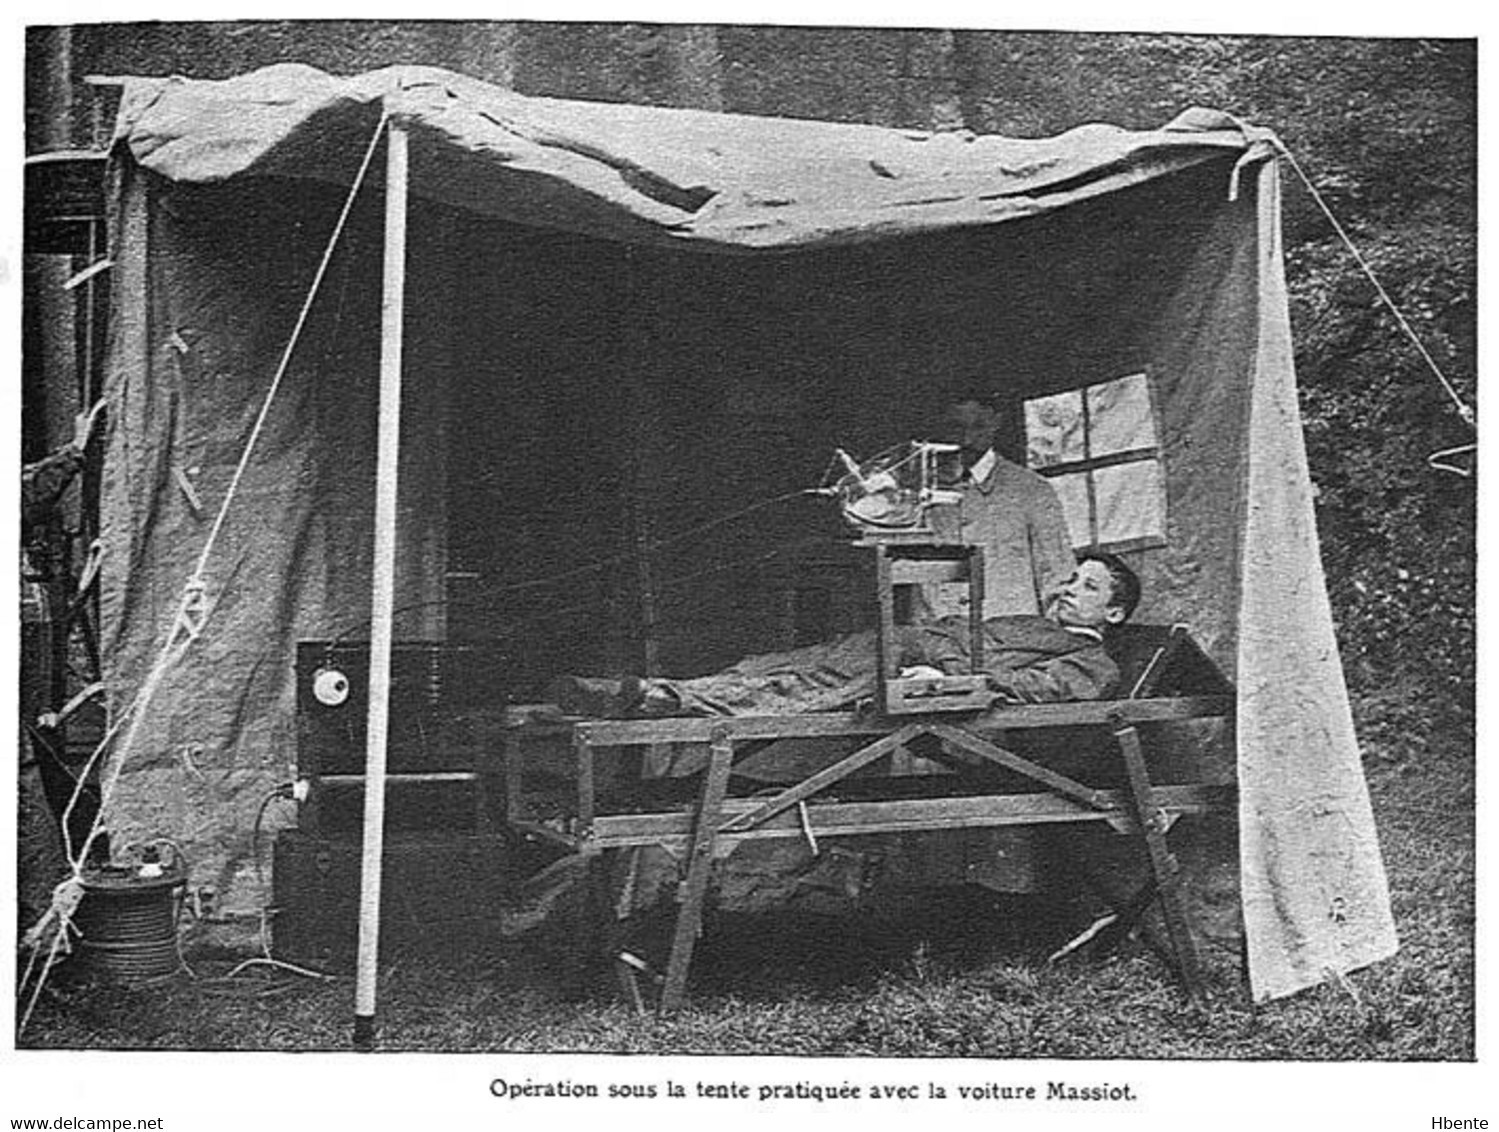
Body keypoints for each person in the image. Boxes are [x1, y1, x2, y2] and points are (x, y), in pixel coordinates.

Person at [549, 552, 1139, 718]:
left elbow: (1031, 689)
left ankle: (656, 698)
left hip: (920, 679)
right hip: (900, 643)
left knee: (800, 690)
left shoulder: (1093, 664)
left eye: (1087, 589)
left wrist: (948, 678)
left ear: (1112, 614)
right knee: (773, 662)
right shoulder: (1033, 623)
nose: (1067, 589)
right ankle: (659, 690)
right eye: (1071, 578)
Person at [19, 401, 104, 936]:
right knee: (30, 768)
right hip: (26, 631)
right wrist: (74, 452)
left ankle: (49, 910)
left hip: (36, 625)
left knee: (43, 748)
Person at [918, 395, 1076, 620]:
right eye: (956, 427)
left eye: (979, 427)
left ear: (996, 423)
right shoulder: (920, 490)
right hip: (937, 636)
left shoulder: (1032, 490)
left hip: (1011, 639)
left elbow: (1056, 575)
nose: (967, 439)